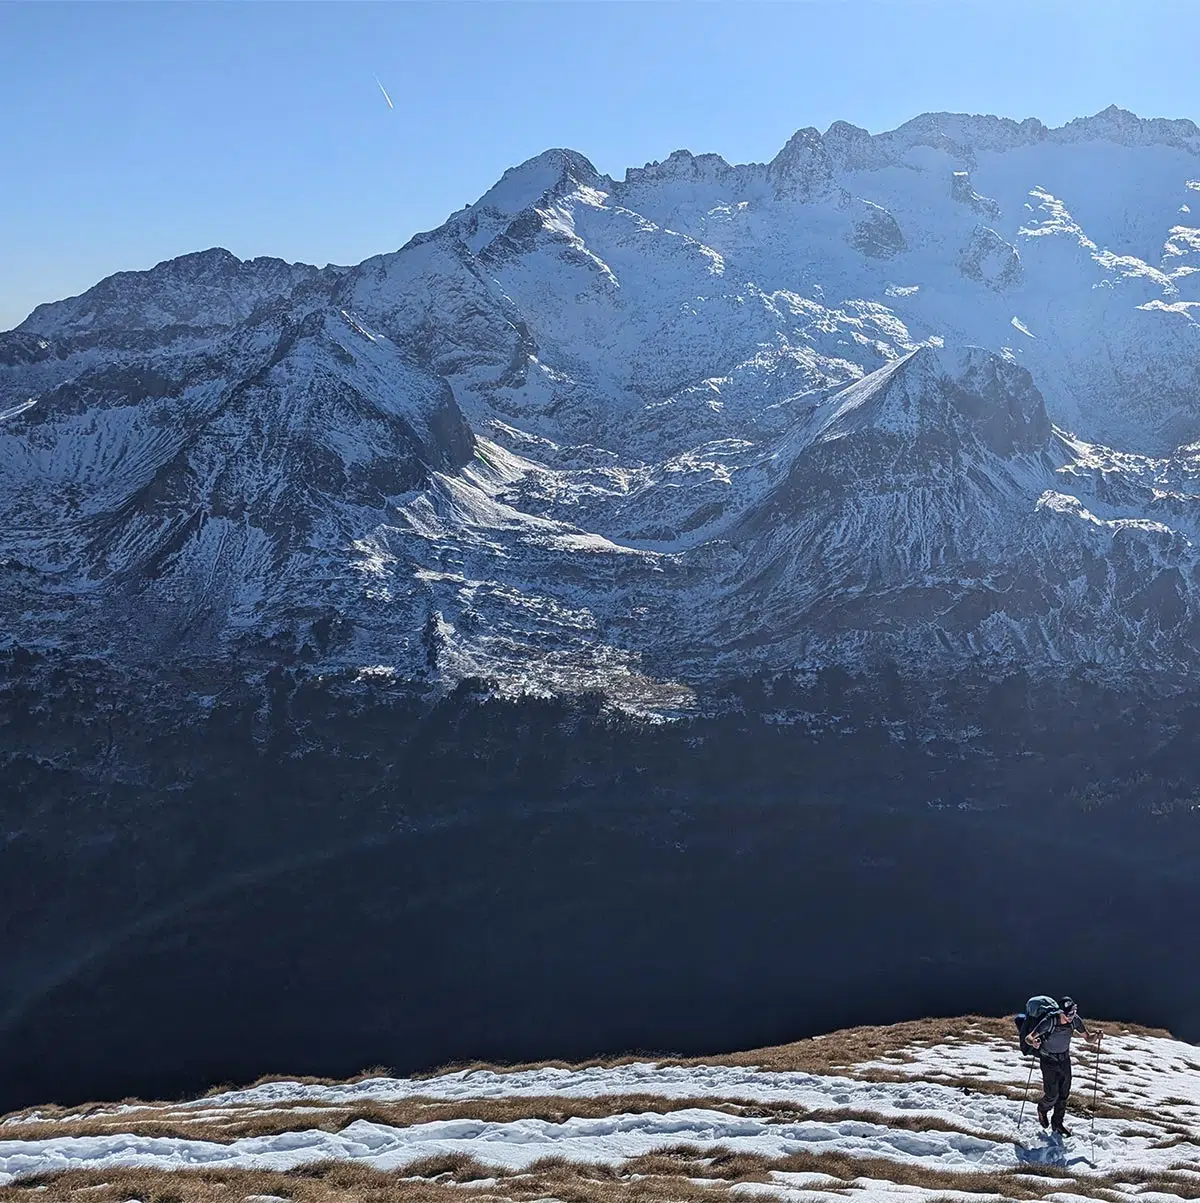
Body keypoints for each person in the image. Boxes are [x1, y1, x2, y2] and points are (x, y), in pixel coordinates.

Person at [1026, 995, 1099, 1135]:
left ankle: (1057, 1124)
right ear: (1061, 1012)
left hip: (1064, 1060)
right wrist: (1033, 1042)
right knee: (1052, 1094)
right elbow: (1029, 1037)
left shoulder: (1075, 1021)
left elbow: (1088, 1038)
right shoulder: (1049, 1021)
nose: (1072, 1015)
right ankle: (1042, 1108)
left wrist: (1096, 1036)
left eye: (1074, 1011)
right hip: (1048, 1060)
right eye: (1069, 1013)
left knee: (1064, 1093)